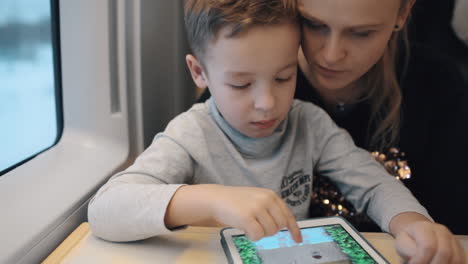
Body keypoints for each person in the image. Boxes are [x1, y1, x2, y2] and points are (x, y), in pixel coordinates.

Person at [88, 0, 465, 263]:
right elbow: (105, 209)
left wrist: (413, 224)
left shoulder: (309, 122)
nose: (268, 103)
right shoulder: (192, 133)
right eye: (240, 84)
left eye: (284, 77)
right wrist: (211, 199)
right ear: (199, 73)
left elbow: (374, 184)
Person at [196, 0, 468, 236]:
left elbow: (450, 223)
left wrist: (419, 229)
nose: (331, 55)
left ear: (403, 13)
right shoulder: (237, 86)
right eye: (314, 24)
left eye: (362, 33)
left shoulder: (438, 87)